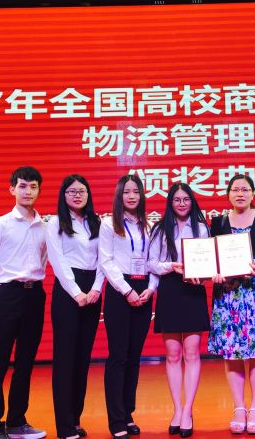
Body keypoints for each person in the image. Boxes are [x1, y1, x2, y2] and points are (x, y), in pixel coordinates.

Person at [0, 166, 47, 439]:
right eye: (22, 186)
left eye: (33, 186)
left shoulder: (46, 227)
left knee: (25, 363)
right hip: (6, 295)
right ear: (12, 189)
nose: (28, 191)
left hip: (35, 296)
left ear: (39, 190)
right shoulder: (0, 225)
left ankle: (17, 422)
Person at [207, 174, 255, 435]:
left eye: (245, 189)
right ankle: (239, 408)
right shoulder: (218, 222)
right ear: (228, 194)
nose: (240, 193)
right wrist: (215, 272)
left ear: (253, 193)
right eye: (235, 189)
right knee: (232, 351)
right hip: (228, 292)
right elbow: (212, 256)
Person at [147, 183, 210, 438]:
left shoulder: (202, 228)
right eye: (177, 199)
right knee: (173, 354)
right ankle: (176, 409)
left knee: (192, 353)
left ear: (192, 201)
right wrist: (171, 266)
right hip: (170, 289)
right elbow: (152, 263)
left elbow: (208, 262)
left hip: (193, 290)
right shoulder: (160, 228)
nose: (182, 203)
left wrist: (202, 275)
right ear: (170, 202)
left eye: (186, 199)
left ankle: (187, 411)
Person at [99, 174, 158, 438]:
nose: (132, 196)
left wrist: (151, 288)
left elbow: (155, 261)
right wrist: (127, 291)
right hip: (119, 292)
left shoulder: (150, 225)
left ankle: (128, 414)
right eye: (126, 192)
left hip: (144, 290)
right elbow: (106, 261)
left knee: (134, 357)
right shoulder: (108, 224)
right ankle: (116, 420)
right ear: (119, 195)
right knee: (118, 356)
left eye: (136, 191)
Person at [46, 174, 104, 439]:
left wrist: (96, 289)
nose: (77, 195)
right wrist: (77, 292)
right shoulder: (55, 222)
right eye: (72, 191)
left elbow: (104, 258)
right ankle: (65, 425)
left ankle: (76, 418)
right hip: (68, 291)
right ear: (64, 195)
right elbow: (57, 261)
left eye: (82, 191)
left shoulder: (96, 222)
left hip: (92, 291)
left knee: (82, 358)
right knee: (65, 359)